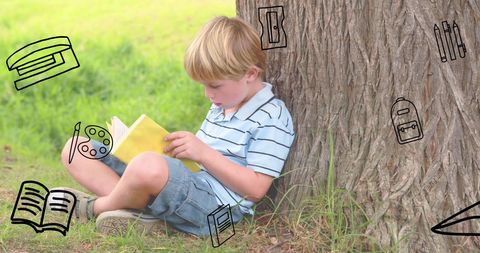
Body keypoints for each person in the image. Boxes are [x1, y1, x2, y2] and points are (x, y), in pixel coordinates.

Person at [56, 16, 295, 237]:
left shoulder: (271, 117)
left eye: (215, 86)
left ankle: (97, 207)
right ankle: (138, 213)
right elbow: (194, 164)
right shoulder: (225, 102)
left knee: (147, 165)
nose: (208, 94)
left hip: (215, 206)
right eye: (203, 85)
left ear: (250, 74)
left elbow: (255, 189)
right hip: (188, 182)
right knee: (75, 149)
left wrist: (202, 153)